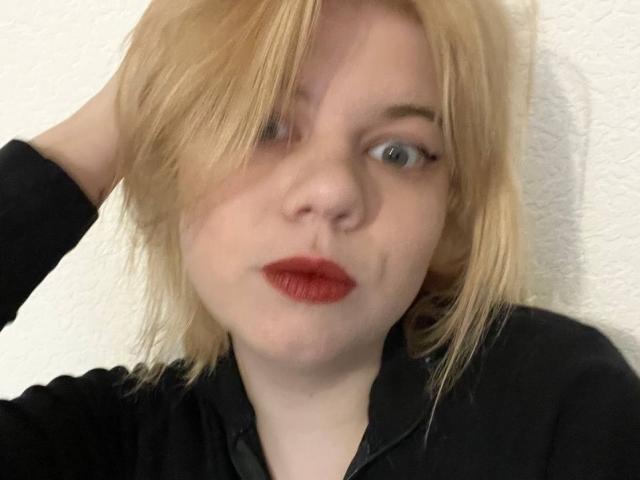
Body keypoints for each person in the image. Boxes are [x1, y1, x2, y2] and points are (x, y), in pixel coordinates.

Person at [1, 0, 639, 479]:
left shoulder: (558, 405)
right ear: (170, 168)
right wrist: (138, 97)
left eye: (398, 152)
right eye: (262, 126)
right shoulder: (104, 444)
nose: (332, 191)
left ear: (449, 208)